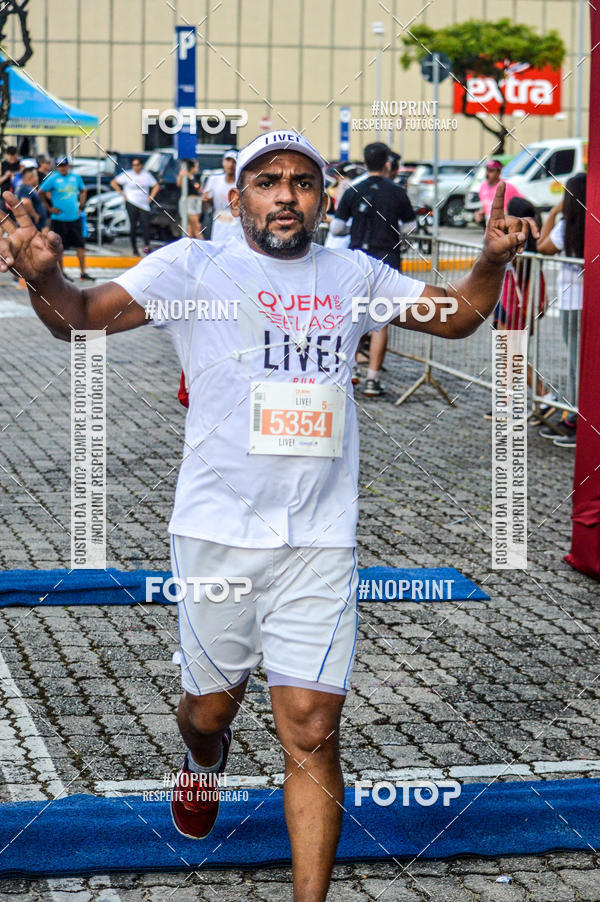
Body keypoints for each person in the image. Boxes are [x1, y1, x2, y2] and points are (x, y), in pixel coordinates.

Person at [4, 130, 536, 902]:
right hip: (217, 533)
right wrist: (45, 278)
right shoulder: (194, 266)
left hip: (320, 538)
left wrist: (490, 261)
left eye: (302, 181)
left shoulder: (353, 273)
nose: (285, 194)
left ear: (323, 195)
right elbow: (81, 316)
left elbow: (454, 318)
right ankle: (201, 759)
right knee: (211, 710)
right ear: (237, 191)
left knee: (313, 728)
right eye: (266, 180)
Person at [330, 141, 416, 396]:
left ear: (365, 163)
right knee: (381, 321)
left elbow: (336, 228)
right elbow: (411, 228)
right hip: (387, 260)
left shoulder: (354, 190)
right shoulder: (397, 191)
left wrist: (353, 228)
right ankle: (373, 378)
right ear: (388, 163)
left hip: (357, 260)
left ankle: (353, 369)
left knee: (354, 316)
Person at [536, 173, 586, 448]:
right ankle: (575, 418)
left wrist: (554, 212)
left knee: (574, 363)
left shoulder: (567, 226)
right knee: (581, 362)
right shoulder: (590, 224)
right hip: (588, 301)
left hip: (571, 304)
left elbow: (542, 248)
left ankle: (577, 422)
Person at [40, 157, 92, 280]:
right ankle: (61, 273)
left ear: (68, 166)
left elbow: (83, 190)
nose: (62, 168)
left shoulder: (76, 178)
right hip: (59, 219)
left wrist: (82, 205)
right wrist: (49, 208)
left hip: (74, 218)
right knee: (59, 247)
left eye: (64, 165)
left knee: (80, 245)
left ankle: (83, 273)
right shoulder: (53, 178)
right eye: (59, 166)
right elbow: (40, 192)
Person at [110, 156, 159, 256]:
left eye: (137, 165)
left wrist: (151, 197)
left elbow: (156, 186)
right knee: (133, 225)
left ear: (141, 166)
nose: (135, 167)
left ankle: (146, 247)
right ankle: (134, 248)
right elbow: (114, 183)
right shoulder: (128, 174)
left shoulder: (146, 175)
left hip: (144, 204)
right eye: (133, 165)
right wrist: (122, 194)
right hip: (132, 202)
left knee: (145, 225)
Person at [202, 149, 241, 242]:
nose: (230, 165)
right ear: (223, 161)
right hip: (219, 226)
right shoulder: (214, 179)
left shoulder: (242, 183)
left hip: (237, 228)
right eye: (228, 160)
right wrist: (205, 201)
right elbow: (207, 207)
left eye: (234, 161)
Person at [475, 160, 522, 225]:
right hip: (489, 223)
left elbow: (521, 205)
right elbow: (485, 204)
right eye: (487, 170)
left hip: (504, 223)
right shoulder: (483, 186)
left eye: (491, 171)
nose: (487, 173)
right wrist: (480, 212)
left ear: (499, 172)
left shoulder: (506, 186)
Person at [176, 159, 204, 239]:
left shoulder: (194, 177)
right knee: (197, 227)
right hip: (189, 202)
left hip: (197, 202)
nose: (197, 169)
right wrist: (181, 175)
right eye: (196, 167)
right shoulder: (185, 175)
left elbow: (197, 188)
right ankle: (204, 247)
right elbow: (179, 185)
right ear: (191, 167)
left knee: (190, 229)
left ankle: (189, 245)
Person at [15, 166, 48, 232]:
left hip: (31, 226)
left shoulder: (22, 187)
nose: (37, 178)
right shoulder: (26, 188)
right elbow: (25, 202)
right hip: (33, 227)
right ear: (30, 177)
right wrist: (35, 216)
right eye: (36, 176)